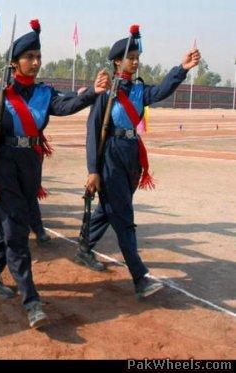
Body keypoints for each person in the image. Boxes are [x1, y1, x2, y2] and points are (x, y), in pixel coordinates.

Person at [0, 19, 109, 328]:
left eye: (38, 57)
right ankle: (32, 300)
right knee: (17, 234)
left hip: (31, 166)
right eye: (29, 57)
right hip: (5, 167)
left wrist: (92, 92)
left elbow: (66, 106)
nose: (35, 63)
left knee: (11, 225)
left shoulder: (44, 93)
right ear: (14, 62)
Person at [77, 25, 200, 299]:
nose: (135, 61)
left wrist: (182, 68)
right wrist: (93, 171)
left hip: (131, 153)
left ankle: (84, 246)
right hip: (110, 154)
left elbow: (162, 92)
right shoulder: (107, 92)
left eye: (136, 56)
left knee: (110, 209)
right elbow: (92, 131)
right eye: (130, 57)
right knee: (123, 216)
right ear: (117, 61)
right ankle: (139, 276)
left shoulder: (139, 89)